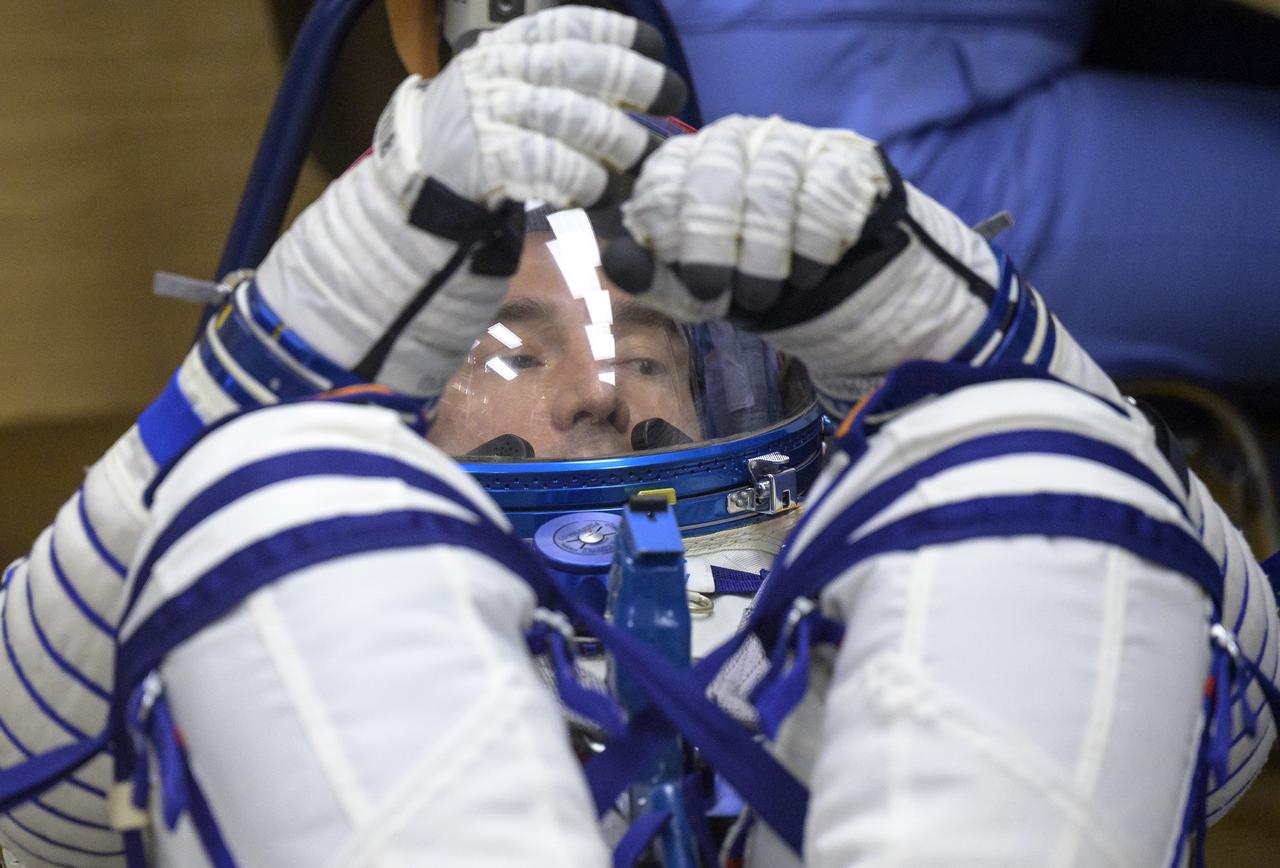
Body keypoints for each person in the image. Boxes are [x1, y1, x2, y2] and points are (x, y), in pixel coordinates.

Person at [0, 7, 1275, 867]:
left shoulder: (872, 615)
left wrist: (975, 337)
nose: (600, 395)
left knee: (1033, 478)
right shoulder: (312, 554)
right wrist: (268, 370)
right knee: (279, 509)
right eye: (511, 353)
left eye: (649, 355)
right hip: (356, 627)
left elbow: (1230, 708)